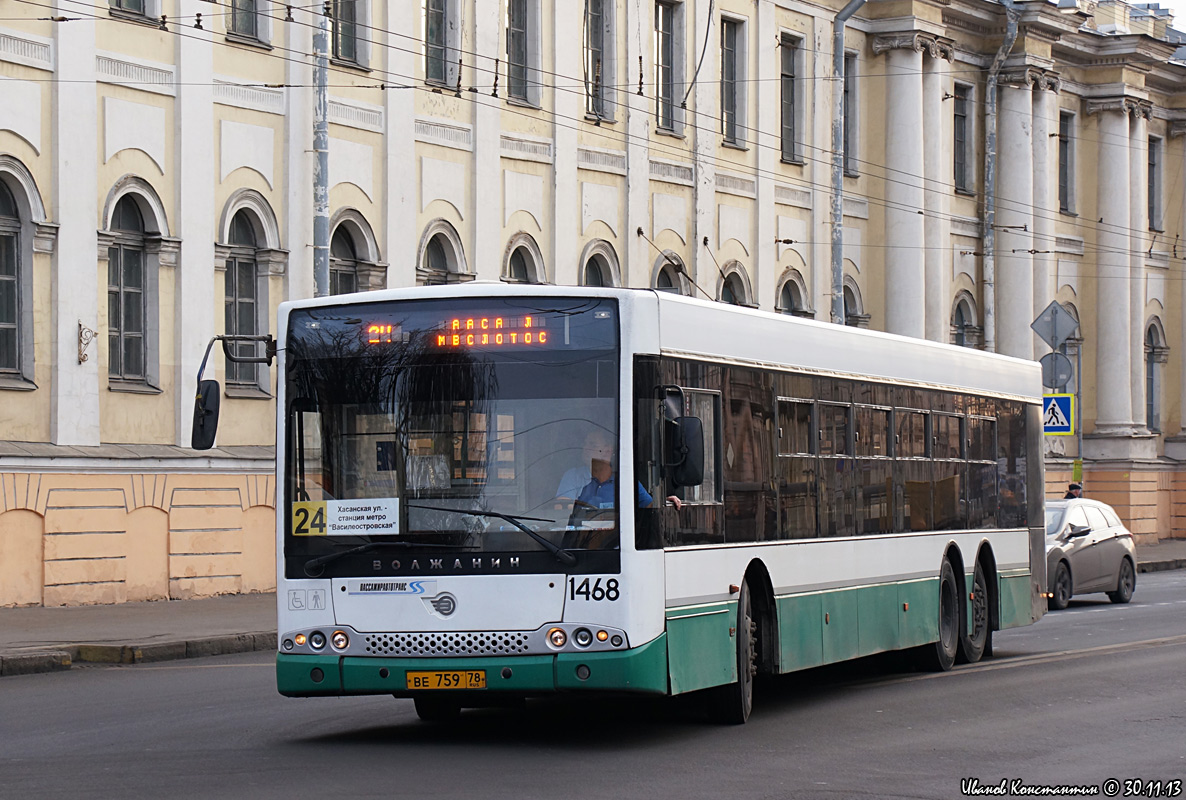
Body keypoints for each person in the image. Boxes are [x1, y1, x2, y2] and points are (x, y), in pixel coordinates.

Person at [557, 429, 681, 512]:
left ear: (608, 450)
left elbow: (649, 507)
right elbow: (561, 508)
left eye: (592, 445)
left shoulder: (625, 481)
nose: (585, 448)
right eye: (585, 444)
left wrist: (665, 502)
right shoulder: (573, 476)